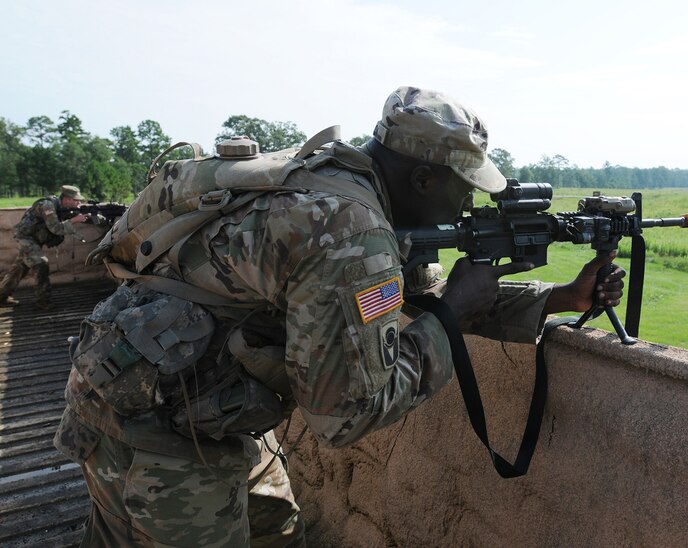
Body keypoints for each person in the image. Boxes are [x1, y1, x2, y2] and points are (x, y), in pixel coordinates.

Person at [54, 86, 625, 547]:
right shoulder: (348, 232)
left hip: (198, 408)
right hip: (148, 432)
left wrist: (562, 299)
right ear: (423, 178)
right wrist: (449, 318)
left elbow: (411, 295)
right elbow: (345, 416)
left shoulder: (337, 182)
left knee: (279, 533)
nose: (468, 206)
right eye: (464, 188)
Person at [0, 185, 88, 309]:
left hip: (34, 239)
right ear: (67, 199)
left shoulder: (60, 207)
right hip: (26, 237)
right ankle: (43, 301)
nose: (79, 203)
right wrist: (75, 220)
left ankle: (1, 297)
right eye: (76, 200)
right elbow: (55, 228)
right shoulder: (48, 206)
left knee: (19, 268)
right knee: (41, 263)